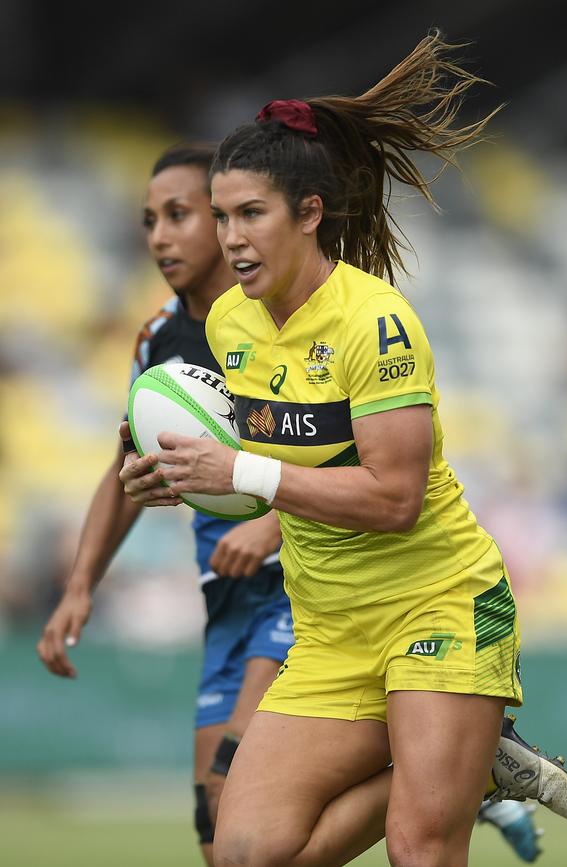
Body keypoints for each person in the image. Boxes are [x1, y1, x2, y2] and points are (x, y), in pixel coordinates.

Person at [120, 33, 567, 867]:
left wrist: (242, 473)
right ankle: (471, 765)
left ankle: (452, 761)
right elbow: (252, 454)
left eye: (251, 214)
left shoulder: (376, 324)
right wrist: (172, 470)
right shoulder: (231, 321)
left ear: (310, 213)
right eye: (221, 215)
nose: (230, 238)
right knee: (245, 853)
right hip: (332, 630)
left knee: (419, 845)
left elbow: (392, 498)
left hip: (439, 605)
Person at [36, 143, 294, 867]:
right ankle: (432, 766)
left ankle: (438, 765)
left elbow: (344, 451)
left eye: (179, 215)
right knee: (216, 836)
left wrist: (273, 522)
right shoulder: (159, 340)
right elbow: (125, 469)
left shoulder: (283, 322)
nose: (159, 236)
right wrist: (80, 584)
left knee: (237, 790)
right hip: (226, 595)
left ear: (222, 224)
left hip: (303, 587)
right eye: (149, 220)